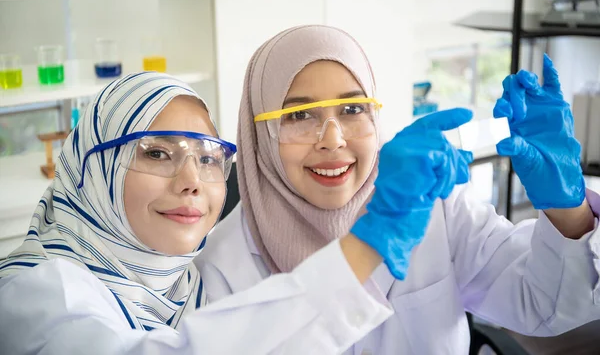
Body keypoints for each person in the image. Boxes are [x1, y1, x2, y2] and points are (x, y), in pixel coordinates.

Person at [196, 25, 600, 354]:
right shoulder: (223, 266)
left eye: (353, 109)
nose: (332, 139)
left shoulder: (434, 206)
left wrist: (569, 209)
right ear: (259, 133)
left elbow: (544, 305)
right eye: (299, 114)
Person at [0, 72, 420, 354]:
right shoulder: (37, 291)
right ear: (95, 171)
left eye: (208, 158)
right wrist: (363, 249)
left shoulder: (194, 286)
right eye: (158, 153)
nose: (192, 181)